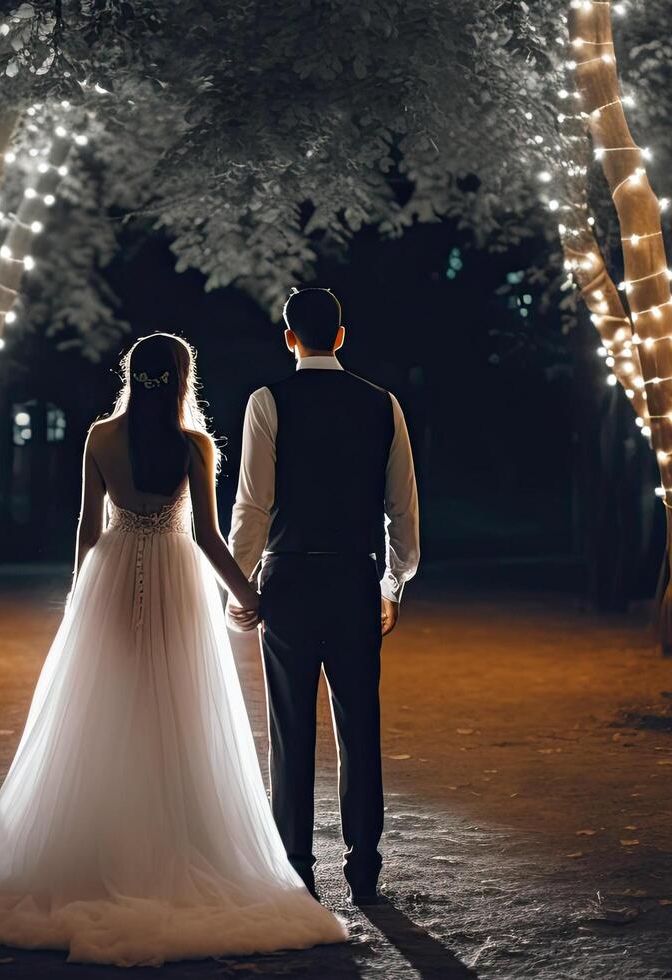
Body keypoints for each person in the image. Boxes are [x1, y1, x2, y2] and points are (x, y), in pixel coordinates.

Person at [0, 333, 347, 966]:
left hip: (111, 573)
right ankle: (167, 838)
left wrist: (81, 595)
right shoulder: (194, 446)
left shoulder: (101, 436)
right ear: (183, 379)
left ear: (133, 375)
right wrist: (248, 593)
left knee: (103, 706)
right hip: (175, 581)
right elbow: (210, 537)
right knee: (176, 707)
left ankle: (97, 843)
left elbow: (87, 525)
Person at [227, 286, 420, 906]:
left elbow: (252, 505)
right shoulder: (382, 405)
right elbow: (402, 509)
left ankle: (297, 868)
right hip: (353, 579)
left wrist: (239, 583)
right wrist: (392, 582)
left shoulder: (268, 402)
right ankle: (364, 867)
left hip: (287, 582)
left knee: (290, 730)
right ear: (341, 336)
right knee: (359, 726)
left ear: (290, 339)